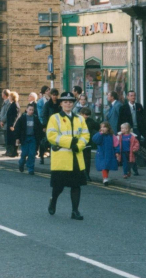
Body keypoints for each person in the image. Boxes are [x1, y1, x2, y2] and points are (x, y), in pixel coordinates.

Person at [46, 92, 90, 220]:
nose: (68, 104)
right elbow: (52, 136)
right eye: (65, 102)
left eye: (70, 102)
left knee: (76, 186)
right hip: (61, 159)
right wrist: (71, 142)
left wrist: (79, 145)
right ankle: (53, 200)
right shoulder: (54, 118)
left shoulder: (80, 119)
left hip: (76, 157)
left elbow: (85, 135)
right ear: (61, 104)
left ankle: (75, 211)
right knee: (58, 187)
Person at [118, 90, 144, 176]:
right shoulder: (123, 107)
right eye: (131, 95)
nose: (133, 97)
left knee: (134, 151)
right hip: (128, 131)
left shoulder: (139, 106)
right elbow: (120, 121)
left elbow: (143, 118)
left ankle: (133, 169)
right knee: (128, 153)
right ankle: (130, 170)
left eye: (134, 95)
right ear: (128, 97)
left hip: (137, 130)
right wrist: (120, 132)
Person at [15, 104, 44, 175]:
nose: (31, 111)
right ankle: (21, 163)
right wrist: (17, 138)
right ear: (26, 110)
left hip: (33, 138)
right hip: (25, 138)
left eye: (32, 110)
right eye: (30, 110)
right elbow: (17, 128)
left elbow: (39, 128)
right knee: (24, 153)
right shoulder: (22, 118)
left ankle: (30, 169)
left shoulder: (35, 118)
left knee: (32, 154)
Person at [92, 122, 119, 186]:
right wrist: (100, 134)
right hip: (101, 153)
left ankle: (105, 177)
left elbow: (116, 144)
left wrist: (117, 152)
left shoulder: (112, 136)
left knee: (107, 166)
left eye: (104, 127)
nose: (102, 128)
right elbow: (95, 140)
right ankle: (105, 178)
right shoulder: (100, 135)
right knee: (104, 166)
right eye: (101, 127)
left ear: (108, 128)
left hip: (110, 153)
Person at [41, 88, 61, 164]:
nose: (54, 97)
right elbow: (45, 115)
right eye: (53, 95)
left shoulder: (60, 103)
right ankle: (43, 155)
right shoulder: (47, 104)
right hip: (50, 125)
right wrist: (45, 126)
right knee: (49, 142)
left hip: (59, 125)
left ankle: (55, 157)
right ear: (51, 95)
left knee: (57, 142)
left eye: (56, 95)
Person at [79, 107, 98, 182]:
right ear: (81, 114)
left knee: (87, 161)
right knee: (79, 160)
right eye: (85, 115)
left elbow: (98, 127)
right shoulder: (77, 120)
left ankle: (87, 175)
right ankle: (80, 175)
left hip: (87, 144)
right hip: (78, 144)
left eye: (88, 115)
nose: (86, 116)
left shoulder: (90, 121)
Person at [6, 91, 20, 157]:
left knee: (14, 139)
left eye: (10, 96)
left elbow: (16, 116)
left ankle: (15, 152)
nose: (9, 97)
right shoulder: (12, 104)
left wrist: (12, 125)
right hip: (10, 124)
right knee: (12, 139)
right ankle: (13, 152)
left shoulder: (15, 105)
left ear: (12, 97)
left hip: (13, 125)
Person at [0, 89, 10, 153]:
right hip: (3, 123)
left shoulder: (8, 102)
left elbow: (6, 113)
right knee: (5, 137)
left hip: (6, 123)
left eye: (2, 93)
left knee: (7, 138)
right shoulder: (5, 101)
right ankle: (7, 151)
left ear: (4, 95)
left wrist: (2, 120)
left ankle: (8, 151)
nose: (1, 94)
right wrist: (0, 120)